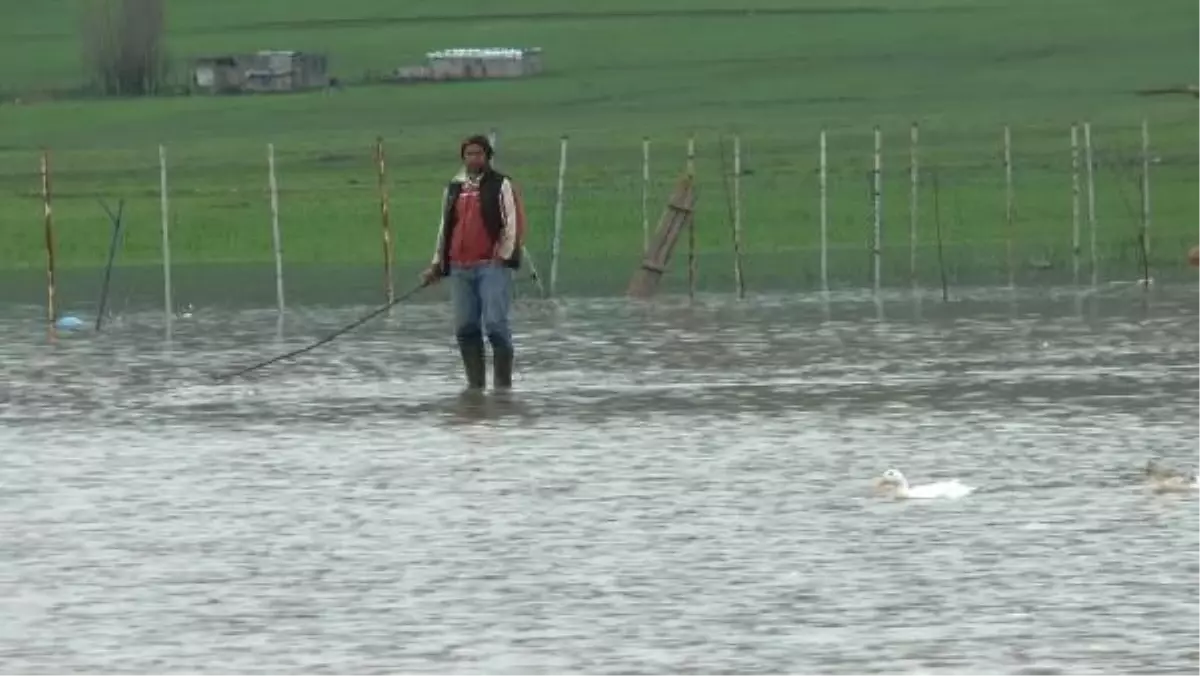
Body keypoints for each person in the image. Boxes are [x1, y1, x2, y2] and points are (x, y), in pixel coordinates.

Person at [421, 134, 526, 391]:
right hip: (459, 267)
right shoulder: (454, 188)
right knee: (465, 327)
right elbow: (445, 228)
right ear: (463, 157)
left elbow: (511, 222)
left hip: (491, 265)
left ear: (487, 156)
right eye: (469, 154)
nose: (474, 158)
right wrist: (437, 264)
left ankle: (503, 387)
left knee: (494, 324)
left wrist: (504, 255)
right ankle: (475, 388)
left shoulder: (501, 184)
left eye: (478, 153)